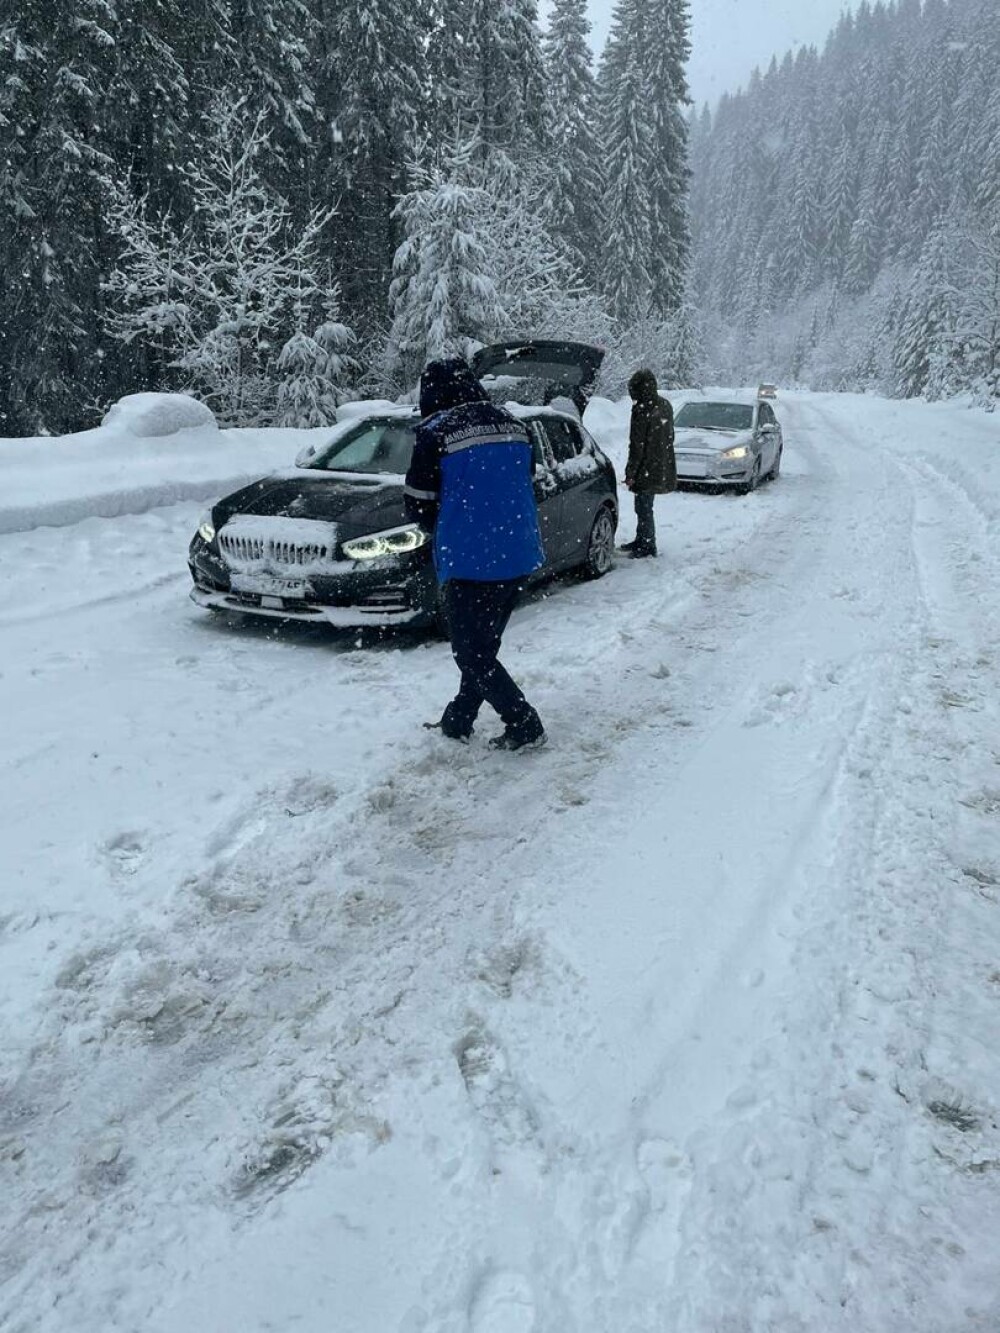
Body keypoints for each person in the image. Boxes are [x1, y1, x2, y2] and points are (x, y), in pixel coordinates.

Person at [404, 357, 547, 751]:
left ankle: (524, 723)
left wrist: (447, 524)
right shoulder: (515, 426)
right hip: (518, 552)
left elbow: (417, 503)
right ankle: (460, 718)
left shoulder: (436, 433)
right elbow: (524, 480)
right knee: (483, 648)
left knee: (471, 654)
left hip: (470, 558)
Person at [622, 369, 676, 558]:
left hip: (646, 466)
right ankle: (642, 539)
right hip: (661, 463)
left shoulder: (642, 409)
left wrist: (631, 473)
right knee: (645, 504)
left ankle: (647, 544)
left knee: (643, 506)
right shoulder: (665, 405)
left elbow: (637, 444)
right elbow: (670, 436)